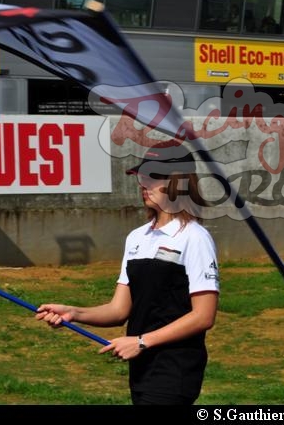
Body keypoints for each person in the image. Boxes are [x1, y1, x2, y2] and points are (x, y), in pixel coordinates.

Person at [36, 143, 219, 405]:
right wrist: (74, 313)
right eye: (141, 177)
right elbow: (119, 310)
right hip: (141, 369)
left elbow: (203, 316)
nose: (143, 184)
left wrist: (143, 342)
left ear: (178, 182)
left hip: (175, 369)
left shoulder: (195, 238)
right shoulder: (137, 238)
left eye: (153, 177)